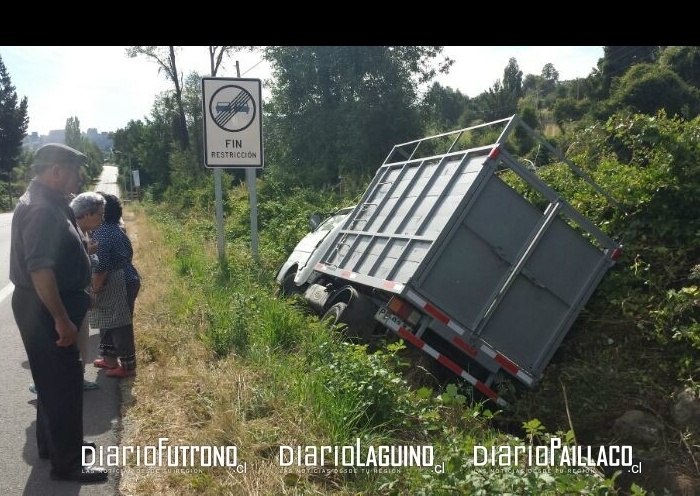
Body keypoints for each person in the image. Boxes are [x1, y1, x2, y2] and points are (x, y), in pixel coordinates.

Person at [10, 143, 108, 483]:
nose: (79, 176)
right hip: (45, 307)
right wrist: (62, 318)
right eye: (74, 170)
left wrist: (81, 288)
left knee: (51, 382)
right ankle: (69, 465)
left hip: (49, 303)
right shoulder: (41, 209)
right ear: (55, 171)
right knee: (64, 384)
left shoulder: (52, 202)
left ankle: (56, 446)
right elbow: (40, 270)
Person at [89, 191, 141, 378]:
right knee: (108, 321)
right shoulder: (114, 228)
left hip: (119, 282)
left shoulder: (102, 234)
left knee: (120, 324)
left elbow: (101, 267)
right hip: (124, 279)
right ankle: (109, 359)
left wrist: (95, 290)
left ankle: (128, 367)